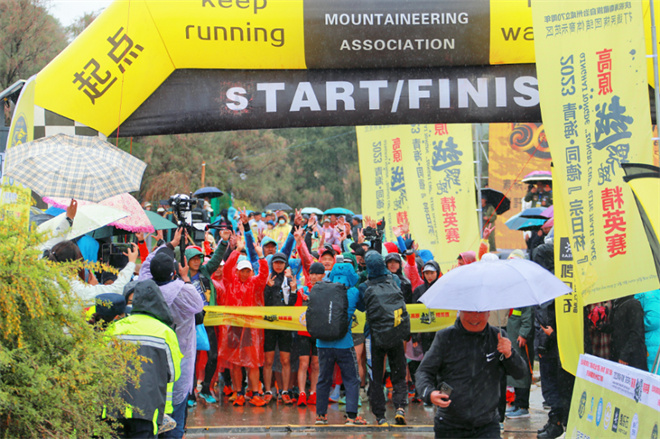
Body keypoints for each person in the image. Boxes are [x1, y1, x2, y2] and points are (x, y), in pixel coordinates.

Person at [415, 310, 527, 438]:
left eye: (480, 312)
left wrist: (509, 354)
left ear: (489, 313)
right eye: (469, 312)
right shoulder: (445, 337)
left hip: (487, 425)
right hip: (450, 424)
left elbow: (520, 373)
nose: (475, 317)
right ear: (460, 312)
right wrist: (429, 393)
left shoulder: (498, 337)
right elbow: (423, 371)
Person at [139, 229, 204, 439]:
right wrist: (185, 277)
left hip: (150, 370)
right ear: (175, 271)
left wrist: (169, 244)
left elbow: (147, 266)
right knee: (175, 422)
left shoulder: (145, 290)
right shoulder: (183, 292)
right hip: (179, 368)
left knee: (152, 422)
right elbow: (198, 304)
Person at [106, 280, 182, 439]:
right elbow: (173, 374)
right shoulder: (165, 333)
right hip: (146, 410)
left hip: (114, 407)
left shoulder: (115, 328)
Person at [315, 263, 367, 426]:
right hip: (344, 343)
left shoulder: (320, 289)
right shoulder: (353, 291)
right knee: (351, 379)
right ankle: (351, 416)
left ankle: (321, 416)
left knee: (324, 378)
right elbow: (363, 307)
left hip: (322, 343)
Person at [360, 250, 409, 426]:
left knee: (375, 376)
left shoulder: (364, 286)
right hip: (395, 332)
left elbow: (359, 305)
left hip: (373, 336)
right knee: (398, 372)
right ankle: (400, 407)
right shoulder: (394, 280)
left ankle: (380, 415)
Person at [219, 237, 269, 407]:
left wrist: (261, 257)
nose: (245, 273)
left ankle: (255, 393)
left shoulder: (254, 283)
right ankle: (239, 392)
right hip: (234, 327)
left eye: (248, 270)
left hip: (249, 328)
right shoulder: (230, 280)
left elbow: (263, 276)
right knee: (235, 362)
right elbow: (226, 269)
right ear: (237, 271)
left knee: (252, 362)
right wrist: (237, 250)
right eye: (242, 270)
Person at [263, 252, 298, 404]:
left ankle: (285, 391)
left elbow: (291, 305)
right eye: (276, 262)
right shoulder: (268, 279)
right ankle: (267, 390)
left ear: (285, 265)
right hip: (269, 324)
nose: (278, 265)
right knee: (268, 360)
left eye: (281, 263)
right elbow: (264, 302)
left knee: (285, 359)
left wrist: (294, 290)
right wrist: (268, 288)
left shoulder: (289, 280)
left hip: (285, 325)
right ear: (272, 264)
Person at [608, 295, 648, 371]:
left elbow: (637, 333)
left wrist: (625, 355)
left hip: (633, 358)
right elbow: (617, 327)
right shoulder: (618, 304)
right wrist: (603, 327)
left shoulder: (633, 304)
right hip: (619, 353)